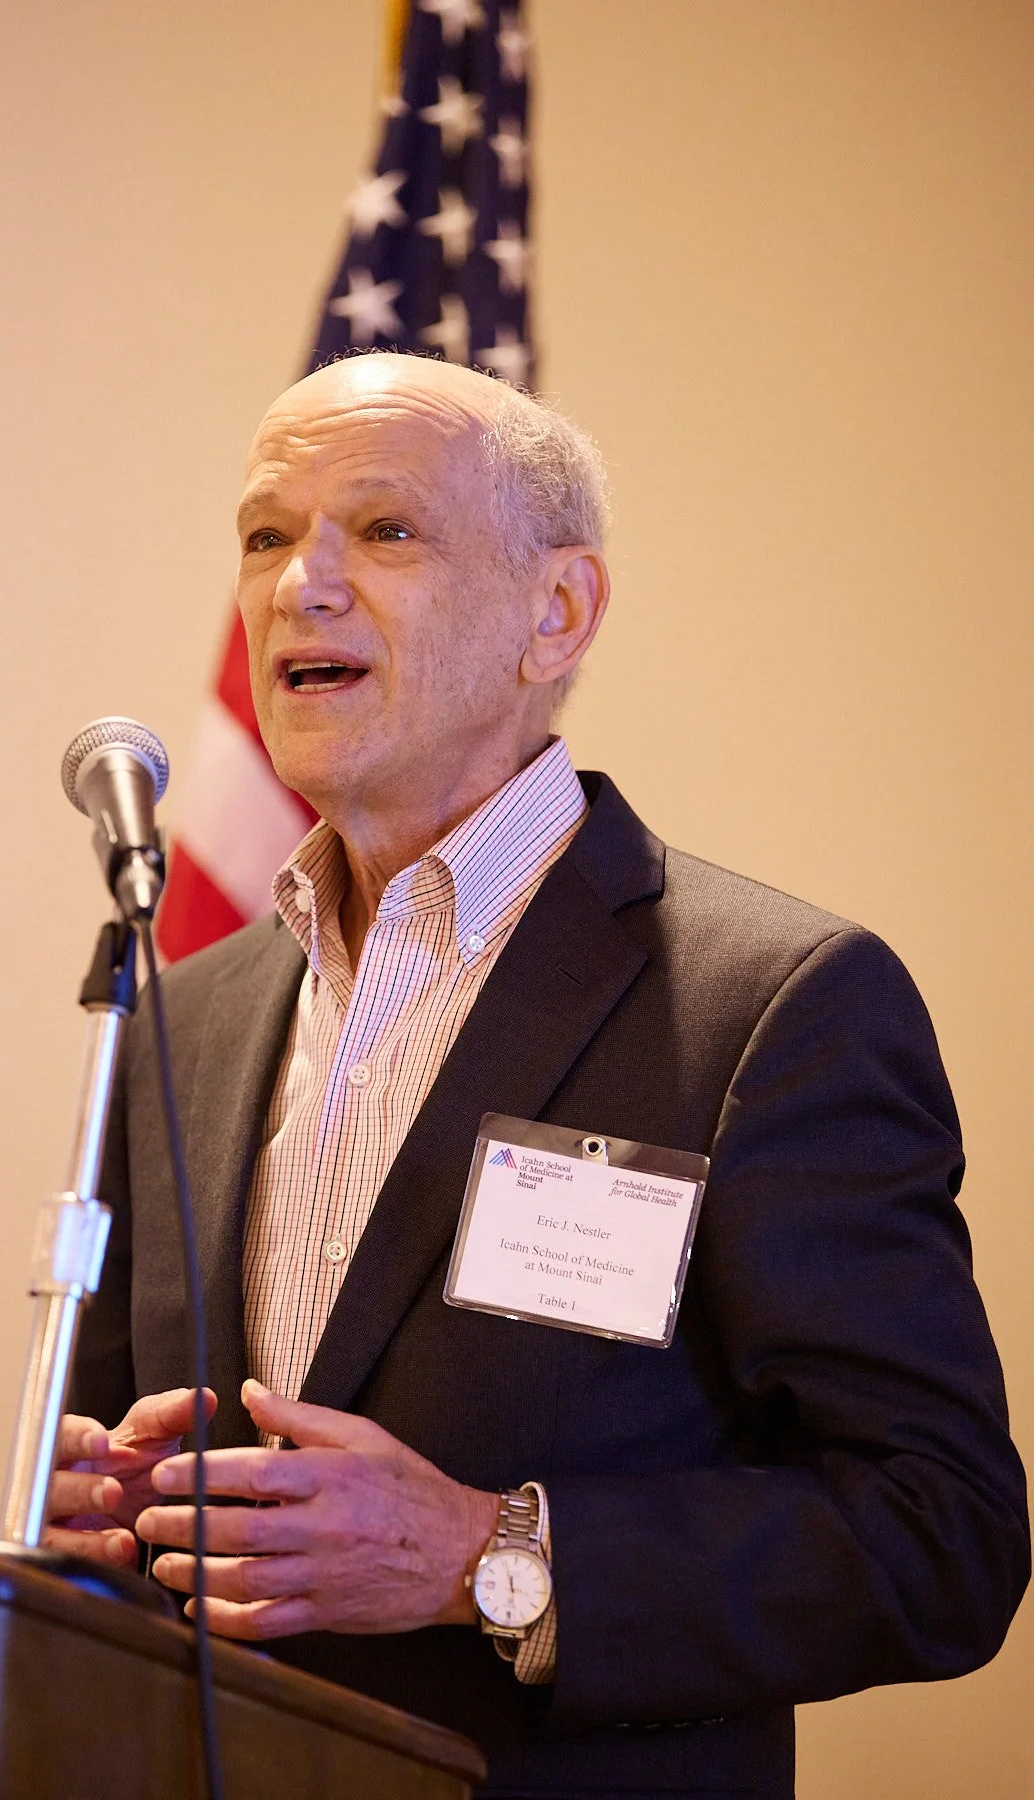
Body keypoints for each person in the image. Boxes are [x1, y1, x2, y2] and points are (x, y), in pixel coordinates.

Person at [54, 352, 1028, 1799]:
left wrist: (483, 1559)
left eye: (383, 531)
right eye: (266, 533)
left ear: (554, 612)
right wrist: (107, 1519)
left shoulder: (773, 1005)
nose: (296, 586)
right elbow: (131, 1486)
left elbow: (938, 1537)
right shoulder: (179, 1016)